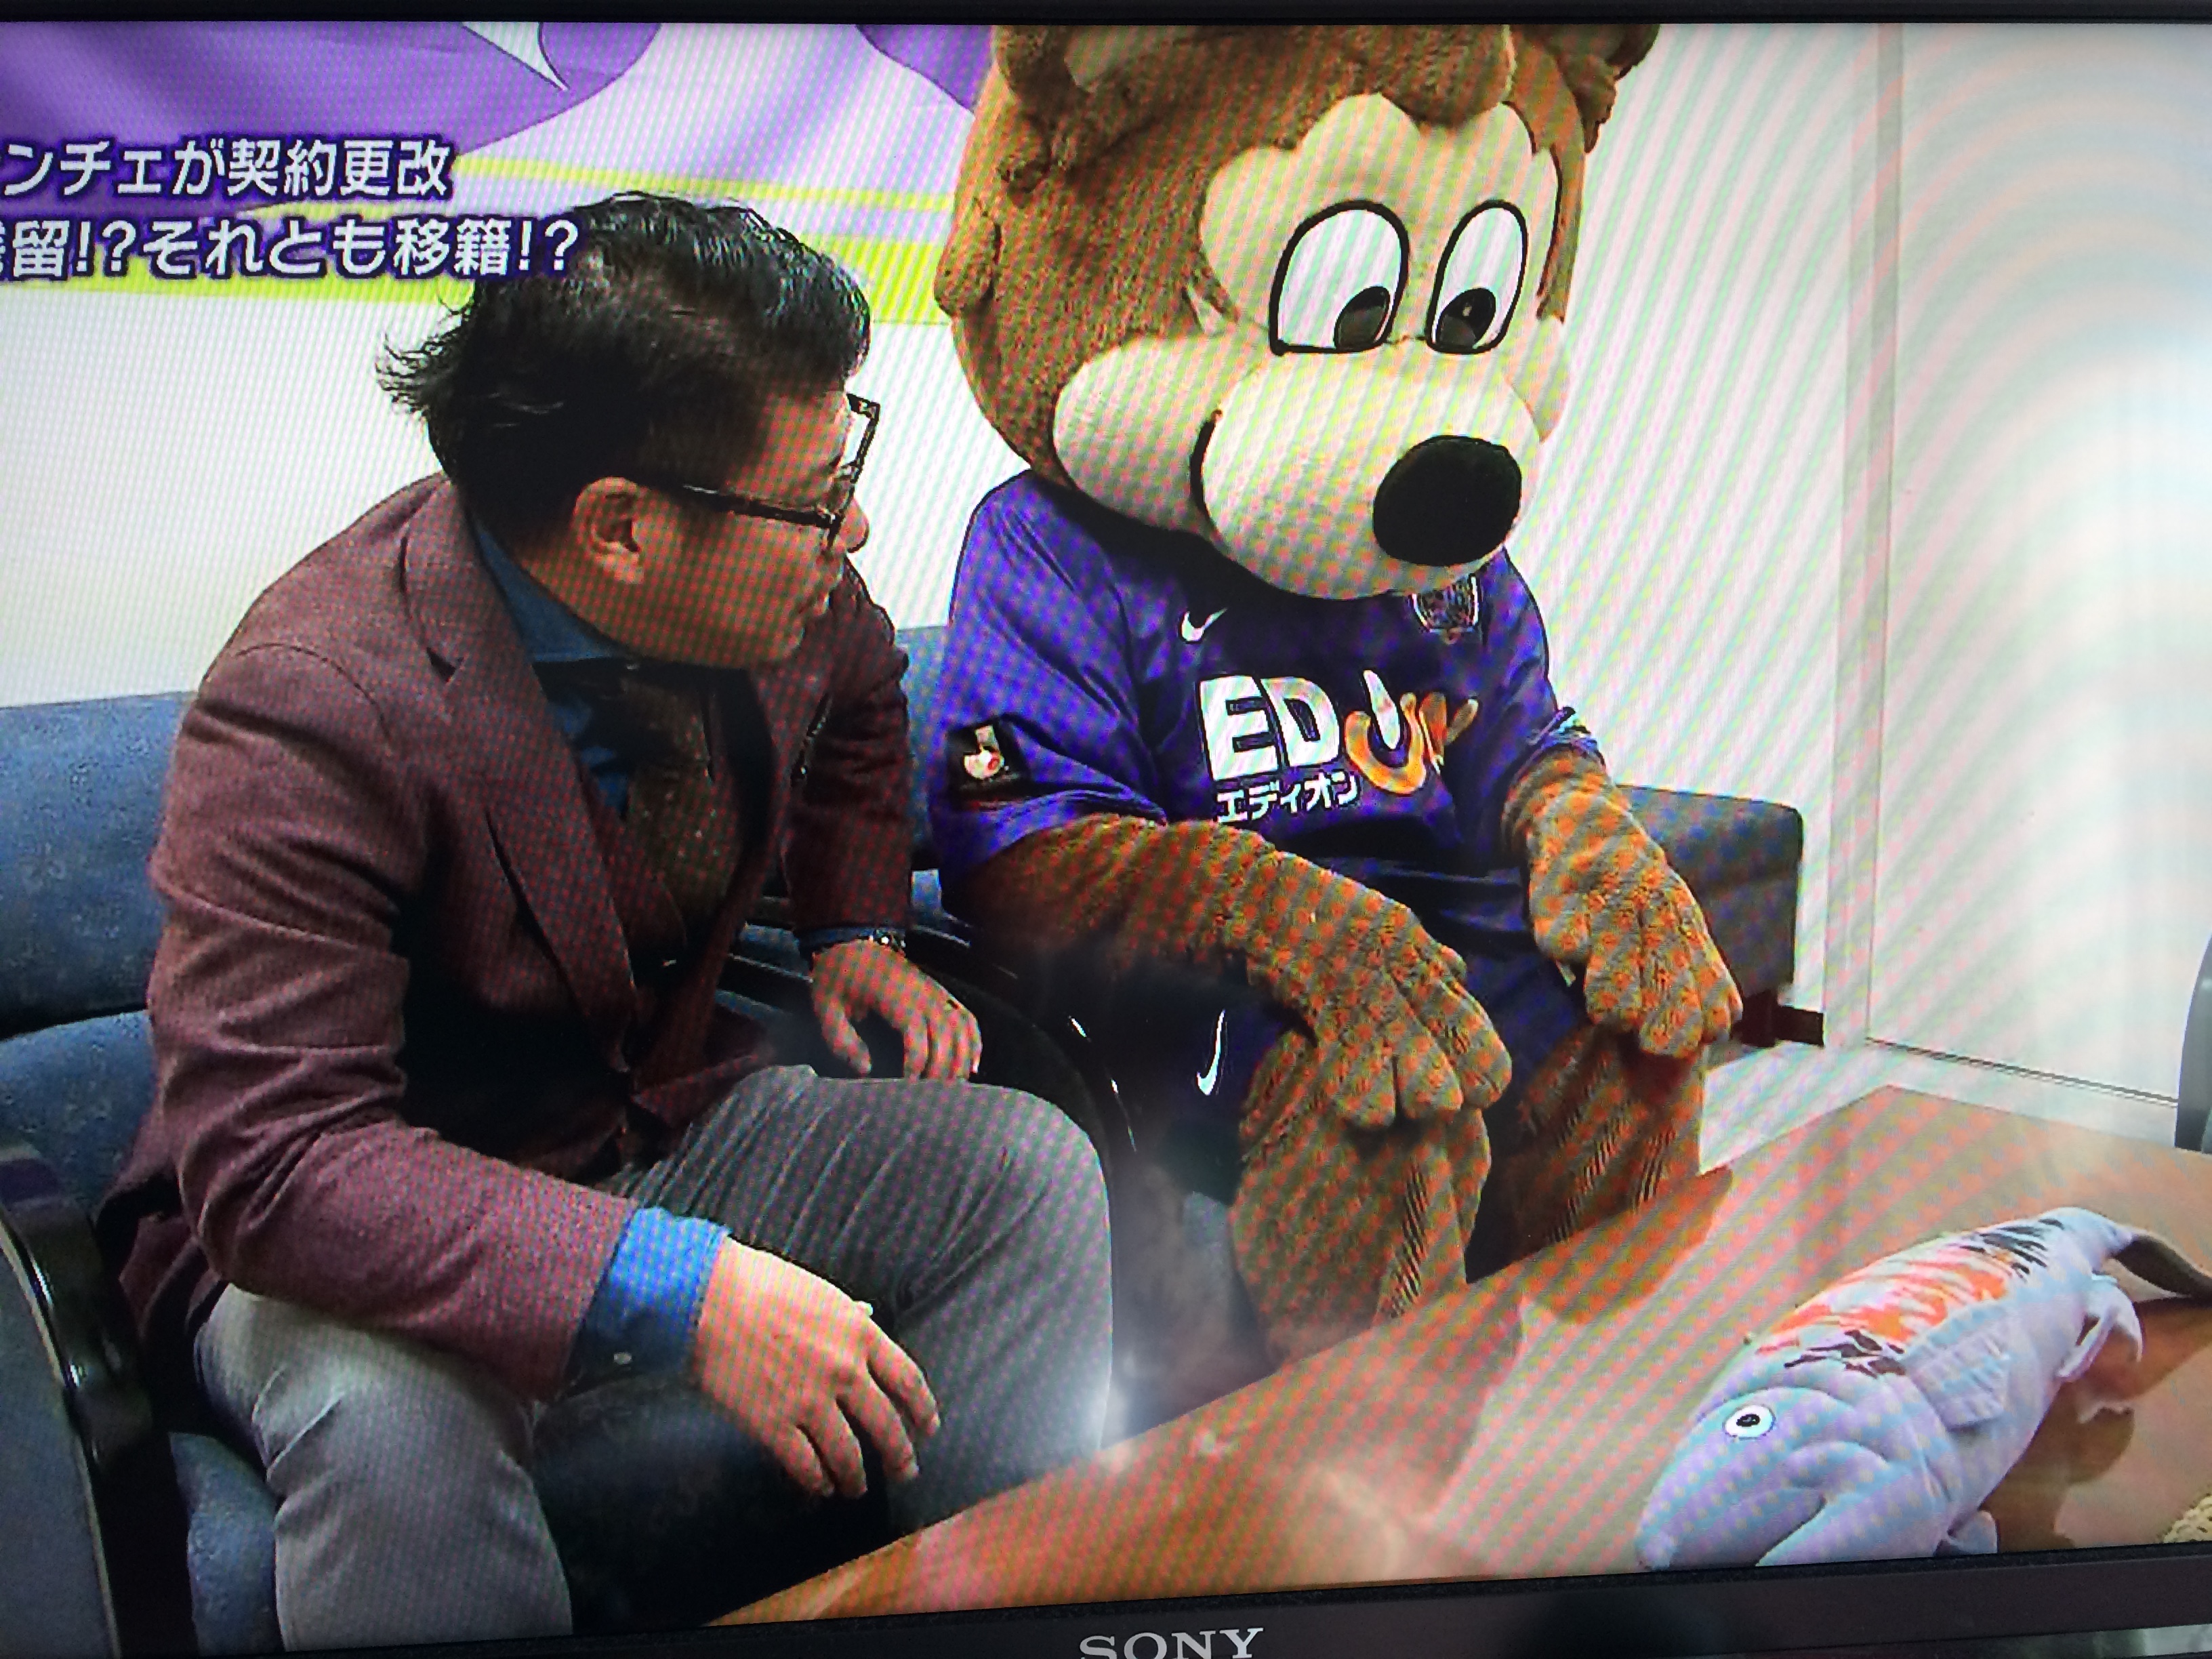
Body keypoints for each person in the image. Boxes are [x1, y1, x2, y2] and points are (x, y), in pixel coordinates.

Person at [98, 192, 1113, 1649]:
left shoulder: (784, 593)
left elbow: (864, 699)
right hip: (363, 1212)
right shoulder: (312, 707)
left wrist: (857, 934)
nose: (855, 527)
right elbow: (276, 1163)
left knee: (1015, 1172)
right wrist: (677, 1290)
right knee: (390, 1425)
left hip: (653, 1118)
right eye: (817, 494)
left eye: (849, 465)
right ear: (622, 528)